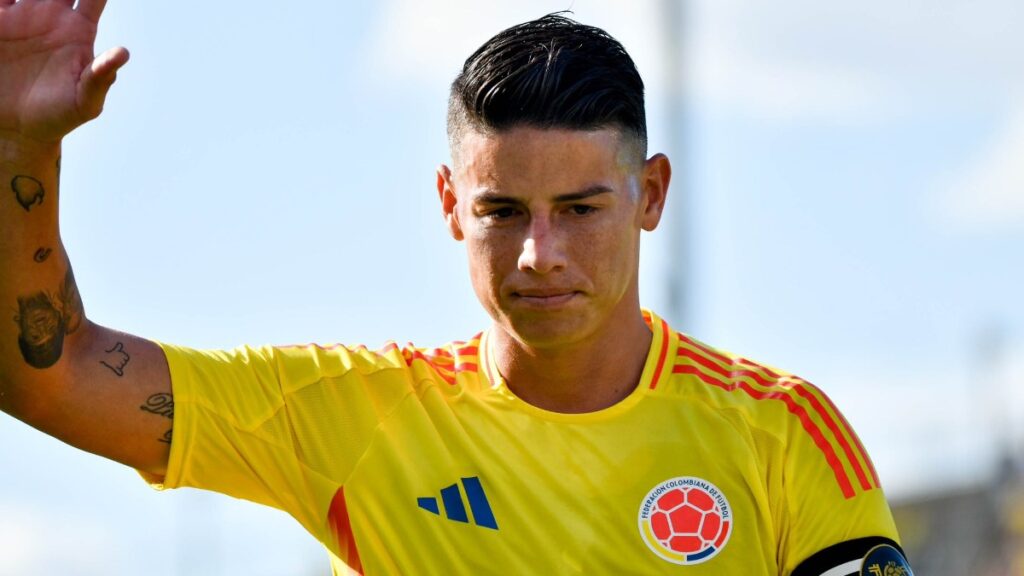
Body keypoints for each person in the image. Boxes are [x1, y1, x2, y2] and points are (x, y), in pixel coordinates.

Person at [0, 3, 913, 575]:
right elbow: (49, 375)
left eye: (581, 209)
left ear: (653, 195)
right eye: (503, 210)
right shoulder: (357, 415)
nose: (538, 254)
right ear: (449, 204)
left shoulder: (784, 435)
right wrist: (22, 148)